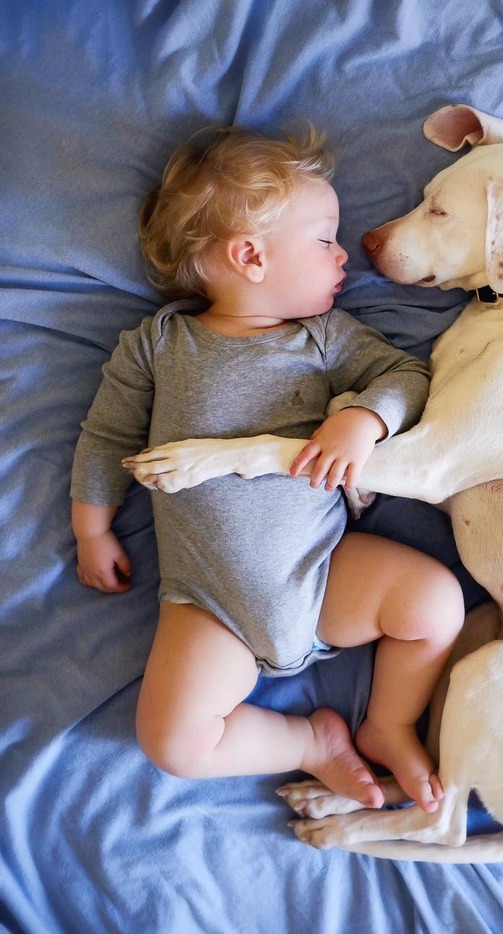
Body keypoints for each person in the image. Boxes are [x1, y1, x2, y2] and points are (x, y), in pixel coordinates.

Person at [70, 126, 464, 813]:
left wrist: (363, 419)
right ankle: (310, 741)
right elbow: (105, 436)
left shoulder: (326, 337)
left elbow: (405, 376)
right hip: (209, 603)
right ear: (249, 255)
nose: (345, 254)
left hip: (322, 570)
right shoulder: (159, 345)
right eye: (325, 239)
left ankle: (390, 721)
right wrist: (92, 529)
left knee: (435, 604)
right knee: (174, 743)